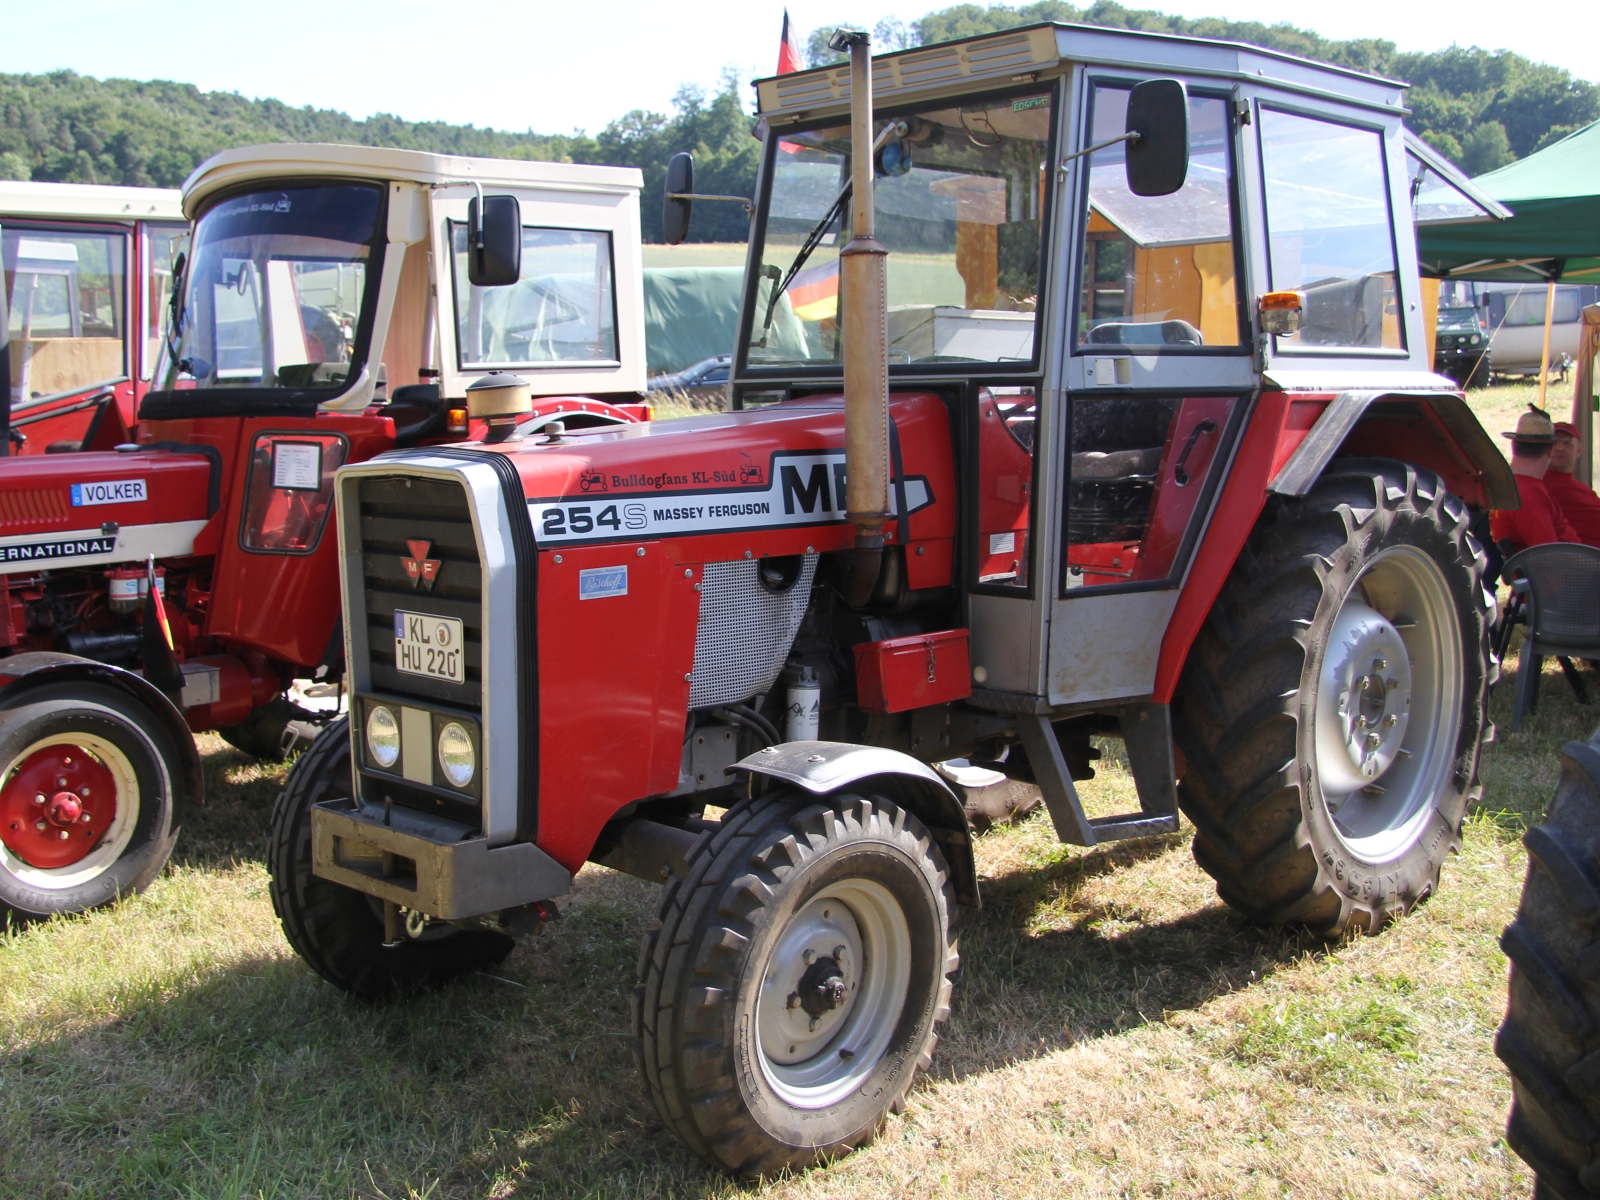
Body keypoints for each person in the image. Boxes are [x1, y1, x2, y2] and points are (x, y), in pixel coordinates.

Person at [1490, 406, 1580, 555]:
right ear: (1550, 450)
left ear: (1514, 446)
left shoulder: (1507, 486)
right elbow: (1548, 559)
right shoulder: (1529, 496)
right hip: (1570, 574)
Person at [1543, 420, 1600, 546]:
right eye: (1554, 443)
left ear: (1579, 451)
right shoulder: (1538, 485)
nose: (1559, 448)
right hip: (1579, 560)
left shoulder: (1585, 490)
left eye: (1567, 443)